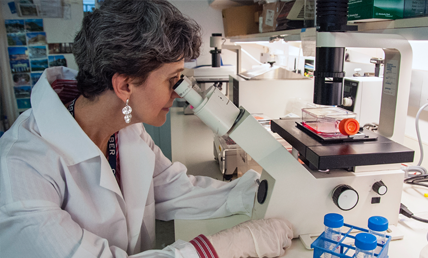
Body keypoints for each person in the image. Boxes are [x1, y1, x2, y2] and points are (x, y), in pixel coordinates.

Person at [0, 0, 293, 257]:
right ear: (125, 85)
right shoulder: (21, 168)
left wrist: (263, 195)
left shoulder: (126, 128)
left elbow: (174, 191)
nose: (179, 92)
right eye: (173, 80)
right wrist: (228, 247)